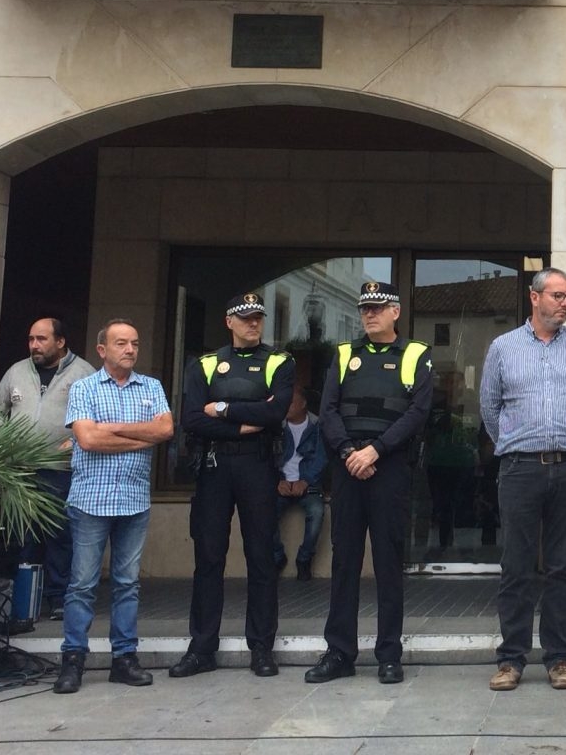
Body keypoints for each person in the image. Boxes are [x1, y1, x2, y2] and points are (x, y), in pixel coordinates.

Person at [480, 267, 566, 693]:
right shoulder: (503, 347)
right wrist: (517, 444)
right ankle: (511, 659)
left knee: (561, 566)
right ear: (535, 298)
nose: (565, 303)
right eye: (557, 295)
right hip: (519, 469)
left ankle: (559, 659)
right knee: (516, 565)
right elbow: (489, 408)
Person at [305, 281, 432, 686]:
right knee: (344, 563)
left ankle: (389, 655)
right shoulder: (344, 354)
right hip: (348, 469)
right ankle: (339, 652)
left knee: (388, 563)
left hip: (389, 469)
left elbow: (418, 413)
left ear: (396, 312)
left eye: (378, 308)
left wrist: (375, 450)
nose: (369, 314)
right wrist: (348, 453)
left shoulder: (415, 354)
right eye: (364, 309)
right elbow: (327, 411)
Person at [170, 292, 294, 680]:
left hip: (258, 464)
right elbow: (191, 419)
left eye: (258, 317)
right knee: (209, 557)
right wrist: (244, 423)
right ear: (229, 322)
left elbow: (276, 414)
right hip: (214, 465)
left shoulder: (279, 361)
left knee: (261, 556)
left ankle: (261, 647)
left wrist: (223, 409)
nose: (253, 323)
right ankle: (202, 647)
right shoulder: (205, 364)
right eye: (245, 318)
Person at [53, 320, 173, 695]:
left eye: (135, 343)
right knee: (82, 584)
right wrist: (139, 433)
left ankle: (124, 658)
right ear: (102, 349)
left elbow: (165, 431)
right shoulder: (83, 387)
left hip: (134, 500)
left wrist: (112, 430)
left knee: (127, 584)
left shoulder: (152, 387)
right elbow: (86, 439)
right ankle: (73, 659)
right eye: (122, 343)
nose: (131, 350)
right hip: (91, 500)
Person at [0, 318, 94, 622]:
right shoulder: (17, 371)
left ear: (60, 342)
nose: (35, 345)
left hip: (61, 469)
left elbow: (99, 414)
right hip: (20, 469)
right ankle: (24, 602)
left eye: (42, 339)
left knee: (60, 535)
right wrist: (0, 439)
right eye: (31, 339)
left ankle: (59, 598)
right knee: (24, 535)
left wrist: (76, 440)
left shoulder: (84, 373)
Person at [273, 379, 326, 582]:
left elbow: (321, 457)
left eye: (291, 402)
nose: (286, 407)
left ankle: (304, 559)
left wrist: (306, 480)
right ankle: (277, 557)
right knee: (264, 514)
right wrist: (278, 481)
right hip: (282, 482)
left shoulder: (318, 426)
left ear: (303, 404)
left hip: (308, 483)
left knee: (317, 513)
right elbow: (269, 457)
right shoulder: (277, 427)